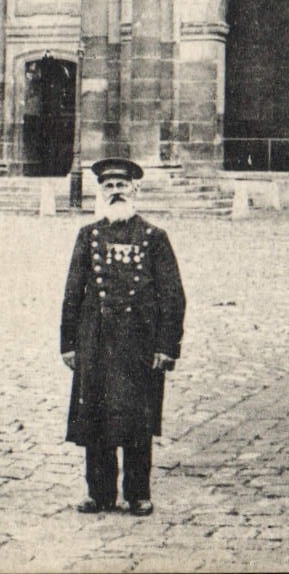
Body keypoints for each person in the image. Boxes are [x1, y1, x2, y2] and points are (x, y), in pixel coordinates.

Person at [60, 156, 186, 517]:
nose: (116, 192)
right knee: (95, 417)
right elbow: (73, 293)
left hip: (138, 344)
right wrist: (68, 343)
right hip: (95, 341)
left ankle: (137, 492)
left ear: (135, 189)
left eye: (122, 185)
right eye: (108, 186)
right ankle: (98, 493)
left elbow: (173, 296)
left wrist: (167, 346)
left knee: (137, 421)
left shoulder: (154, 237)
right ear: (100, 192)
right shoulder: (89, 235)